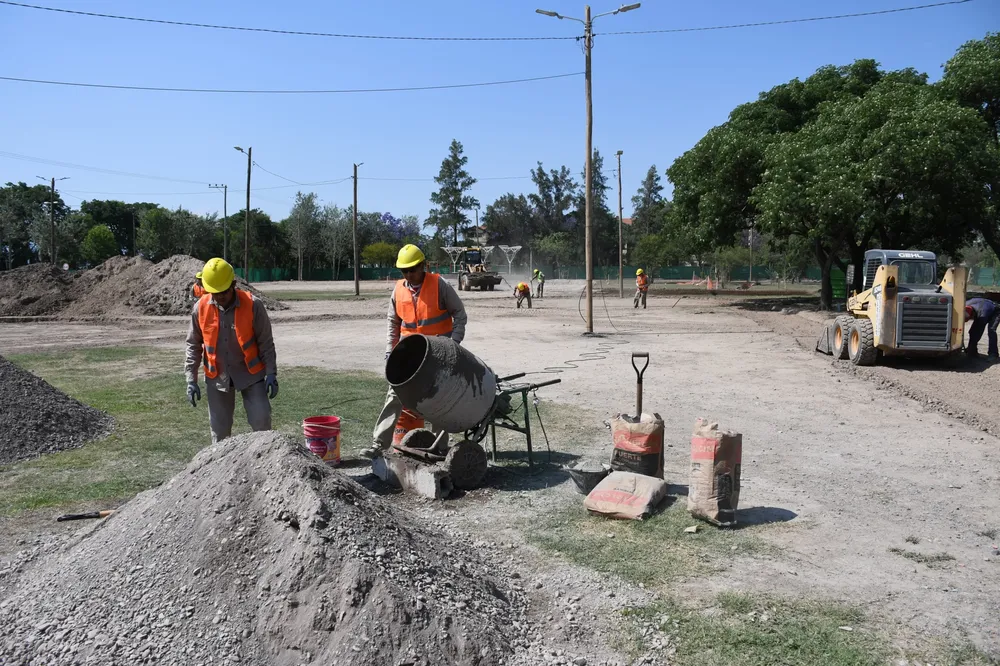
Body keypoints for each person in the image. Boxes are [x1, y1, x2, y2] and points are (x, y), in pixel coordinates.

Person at [362, 244, 468, 459]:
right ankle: (378, 444)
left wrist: (453, 345)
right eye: (405, 271)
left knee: (438, 401)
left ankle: (439, 447)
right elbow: (393, 323)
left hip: (439, 355)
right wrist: (389, 352)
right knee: (394, 395)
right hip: (409, 355)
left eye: (413, 269)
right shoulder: (399, 289)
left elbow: (460, 315)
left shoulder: (440, 285)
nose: (409, 274)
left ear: (423, 266)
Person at [185, 257, 278, 443]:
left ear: (234, 284)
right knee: (219, 433)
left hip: (251, 375)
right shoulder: (200, 308)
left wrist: (271, 373)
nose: (219, 296)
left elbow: (266, 342)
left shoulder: (253, 305)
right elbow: (193, 345)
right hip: (217, 376)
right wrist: (191, 379)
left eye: (224, 292)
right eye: (214, 292)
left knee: (262, 423)